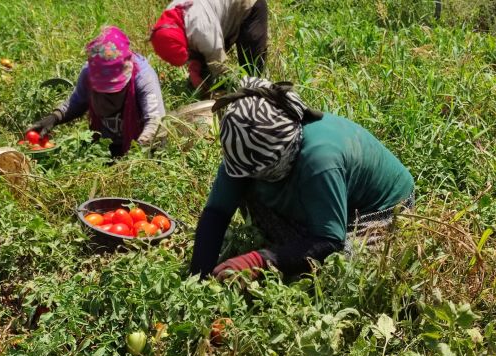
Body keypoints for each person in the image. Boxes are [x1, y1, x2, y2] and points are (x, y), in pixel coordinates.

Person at [190, 77, 415, 280]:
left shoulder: (320, 160)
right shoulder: (245, 151)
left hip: (379, 210)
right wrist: (198, 276)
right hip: (322, 190)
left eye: (265, 171)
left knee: (339, 268)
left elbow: (329, 241)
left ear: (284, 154)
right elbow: (216, 215)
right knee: (245, 186)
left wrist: (260, 261)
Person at [27, 26, 165, 157]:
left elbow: (156, 122)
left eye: (112, 92)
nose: (105, 99)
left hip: (141, 147)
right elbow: (77, 102)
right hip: (107, 145)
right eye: (101, 91)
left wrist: (136, 155)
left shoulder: (143, 77)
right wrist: (54, 117)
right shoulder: (90, 72)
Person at [150, 0, 268, 90]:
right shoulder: (168, 22)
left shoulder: (202, 30)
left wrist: (223, 91)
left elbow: (221, 71)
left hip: (248, 6)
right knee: (204, 75)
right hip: (214, 16)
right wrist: (194, 69)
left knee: (251, 72)